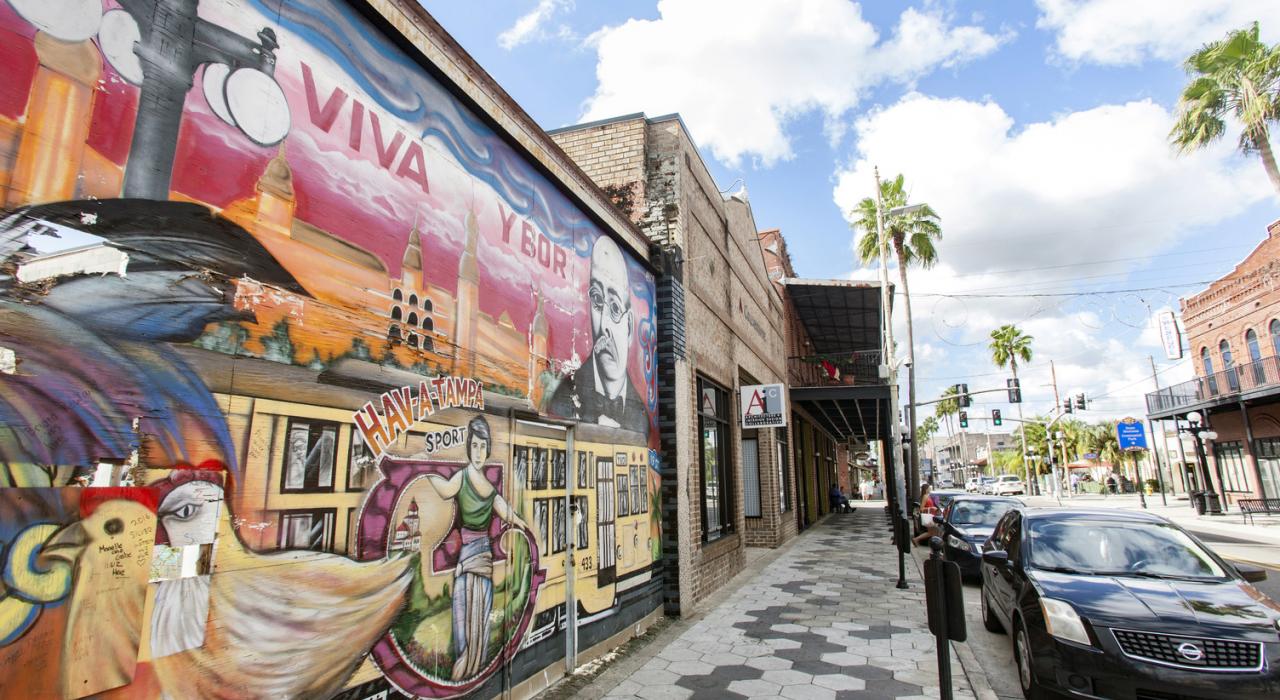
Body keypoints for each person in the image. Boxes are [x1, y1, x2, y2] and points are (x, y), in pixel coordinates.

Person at [425, 416, 529, 680]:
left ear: (488, 448)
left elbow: (507, 512)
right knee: (466, 613)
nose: (479, 452)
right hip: (474, 556)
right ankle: (467, 664)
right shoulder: (464, 479)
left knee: (476, 613)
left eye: (483, 446)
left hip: (479, 558)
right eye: (475, 446)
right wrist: (426, 470)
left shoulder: (486, 488)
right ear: (469, 447)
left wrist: (524, 525)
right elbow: (445, 490)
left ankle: (471, 666)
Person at [547, 237, 648, 433]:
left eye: (615, 308)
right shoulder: (562, 400)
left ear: (629, 326)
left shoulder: (642, 419)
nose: (603, 326)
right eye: (597, 299)